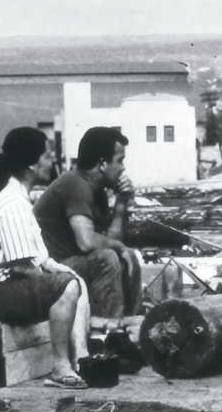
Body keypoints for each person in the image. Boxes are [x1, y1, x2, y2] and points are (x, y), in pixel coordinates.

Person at [0, 127, 91, 389]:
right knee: (67, 287)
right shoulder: (11, 204)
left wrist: (63, 272)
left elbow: (40, 259)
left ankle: (82, 360)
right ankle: (61, 367)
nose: (51, 161)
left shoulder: (18, 196)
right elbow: (22, 268)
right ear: (32, 163)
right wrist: (60, 284)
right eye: (47, 156)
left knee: (74, 281)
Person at [34, 126, 143, 321]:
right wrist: (119, 246)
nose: (123, 167)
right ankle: (104, 332)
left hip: (69, 264)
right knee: (107, 258)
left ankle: (130, 325)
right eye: (120, 161)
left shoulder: (97, 189)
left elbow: (109, 239)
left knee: (129, 257)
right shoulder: (75, 185)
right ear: (102, 163)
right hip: (49, 269)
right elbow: (86, 241)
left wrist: (121, 202)